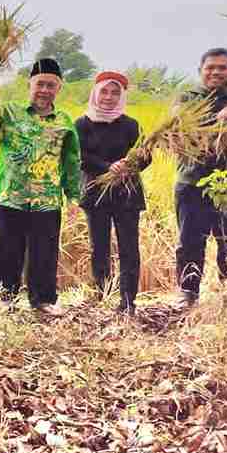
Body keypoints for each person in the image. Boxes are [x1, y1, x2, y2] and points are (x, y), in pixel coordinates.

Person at [0, 58, 81, 316]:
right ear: (30, 85)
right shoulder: (9, 112)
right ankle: (5, 297)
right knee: (7, 250)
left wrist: (73, 196)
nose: (44, 90)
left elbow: (72, 161)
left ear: (59, 89)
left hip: (47, 200)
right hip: (10, 196)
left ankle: (43, 300)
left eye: (50, 85)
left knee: (44, 252)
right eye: (40, 84)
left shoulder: (64, 122)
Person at [173, 48, 227, 306]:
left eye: (222, 67)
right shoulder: (187, 99)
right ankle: (188, 293)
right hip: (192, 183)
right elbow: (182, 134)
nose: (216, 72)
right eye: (210, 67)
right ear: (200, 71)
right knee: (190, 241)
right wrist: (219, 119)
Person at [75, 71, 147, 315]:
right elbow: (80, 157)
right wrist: (108, 167)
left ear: (122, 96)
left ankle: (127, 301)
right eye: (105, 91)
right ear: (96, 92)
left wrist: (130, 164)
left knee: (129, 247)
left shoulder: (131, 124)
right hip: (96, 194)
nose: (109, 97)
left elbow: (145, 155)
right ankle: (102, 295)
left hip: (127, 194)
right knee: (99, 247)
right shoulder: (81, 124)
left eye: (115, 92)